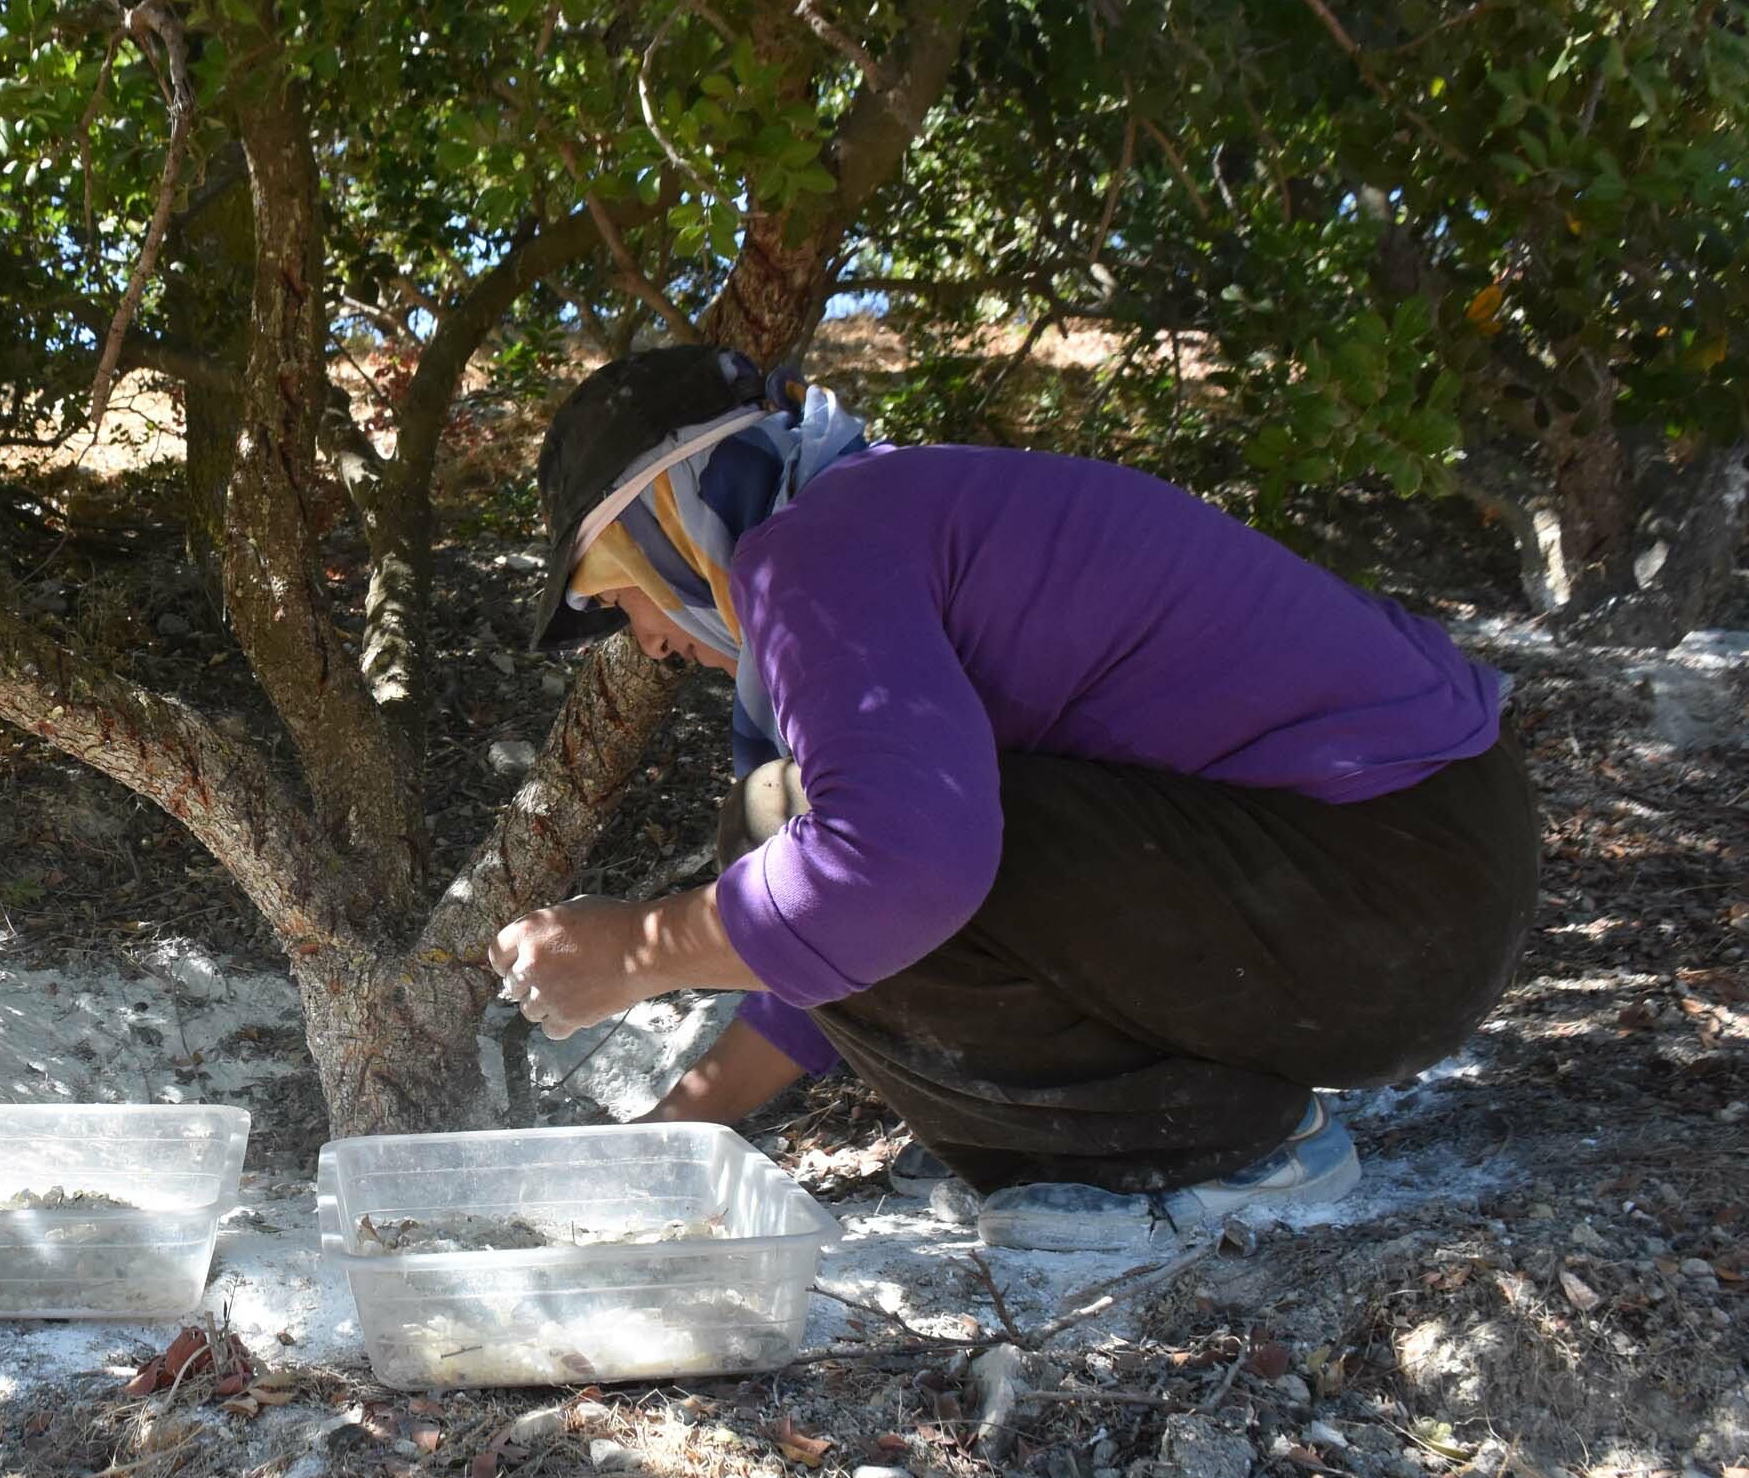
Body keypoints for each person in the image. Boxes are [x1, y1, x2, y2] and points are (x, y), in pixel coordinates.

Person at [486, 346, 1535, 1253]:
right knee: (789, 832)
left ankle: (1214, 1148)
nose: (648, 637)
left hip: (1384, 882)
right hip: (1411, 881)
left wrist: (630, 952)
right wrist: (673, 1136)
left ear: (666, 516)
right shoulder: (872, 518)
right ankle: (1136, 1138)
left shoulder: (815, 552)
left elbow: (885, 871)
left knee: (778, 826)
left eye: (612, 590)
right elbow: (829, 967)